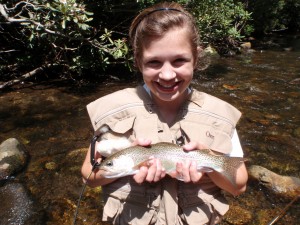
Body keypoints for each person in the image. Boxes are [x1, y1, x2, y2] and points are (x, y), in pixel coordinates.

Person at [81, 2, 248, 224]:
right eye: (154, 62)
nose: (167, 74)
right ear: (138, 62)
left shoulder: (219, 115)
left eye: (179, 60)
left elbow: (239, 186)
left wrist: (208, 164)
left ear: (196, 59)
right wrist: (125, 169)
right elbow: (89, 177)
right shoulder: (112, 113)